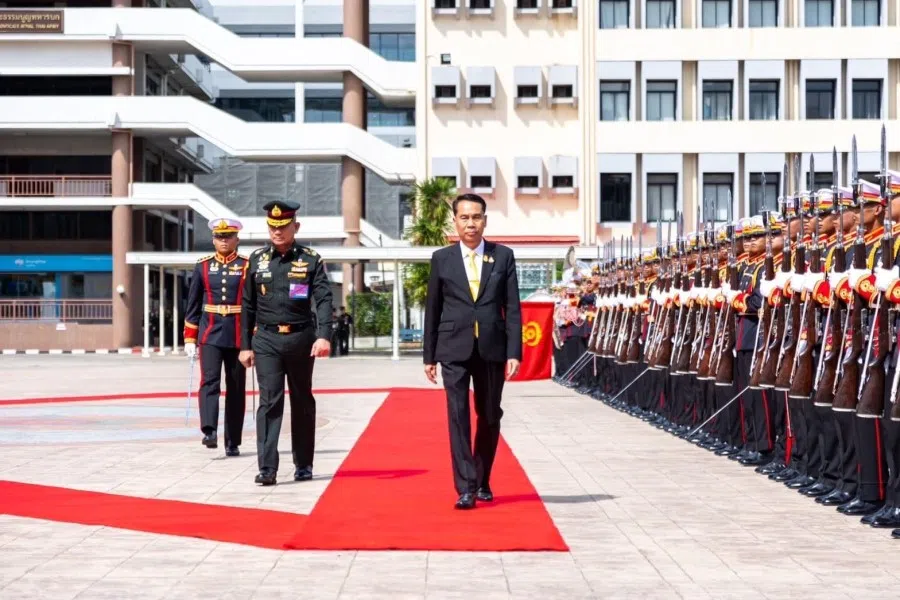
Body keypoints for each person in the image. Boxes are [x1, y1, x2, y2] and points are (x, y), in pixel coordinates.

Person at [423, 193, 522, 510]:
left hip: (492, 348)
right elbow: (433, 309)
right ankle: (465, 487)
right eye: (464, 217)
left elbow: (513, 307)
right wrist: (429, 356)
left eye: (476, 217)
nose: (470, 223)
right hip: (453, 348)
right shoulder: (442, 258)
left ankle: (482, 479)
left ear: (485, 220)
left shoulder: (503, 256)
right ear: (455, 221)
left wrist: (514, 351)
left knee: (490, 415)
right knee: (458, 415)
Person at [238, 200, 333, 486]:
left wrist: (324, 336)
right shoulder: (256, 260)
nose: (277, 232)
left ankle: (303, 463)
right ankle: (267, 467)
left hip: (300, 338)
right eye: (272, 227)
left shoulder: (311, 259)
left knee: (302, 399)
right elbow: (247, 305)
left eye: (283, 226)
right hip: (266, 339)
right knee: (269, 401)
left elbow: (323, 299)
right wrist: (245, 345)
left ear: (296, 227)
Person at [183, 218, 249, 456]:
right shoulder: (202, 266)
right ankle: (209, 431)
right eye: (219, 237)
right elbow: (193, 305)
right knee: (209, 382)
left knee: (236, 387)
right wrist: (190, 338)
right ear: (213, 240)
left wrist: (253, 337)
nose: (224, 241)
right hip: (210, 333)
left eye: (228, 236)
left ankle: (233, 441)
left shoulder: (246, 265)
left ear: (236, 239)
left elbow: (252, 305)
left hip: (238, 334)